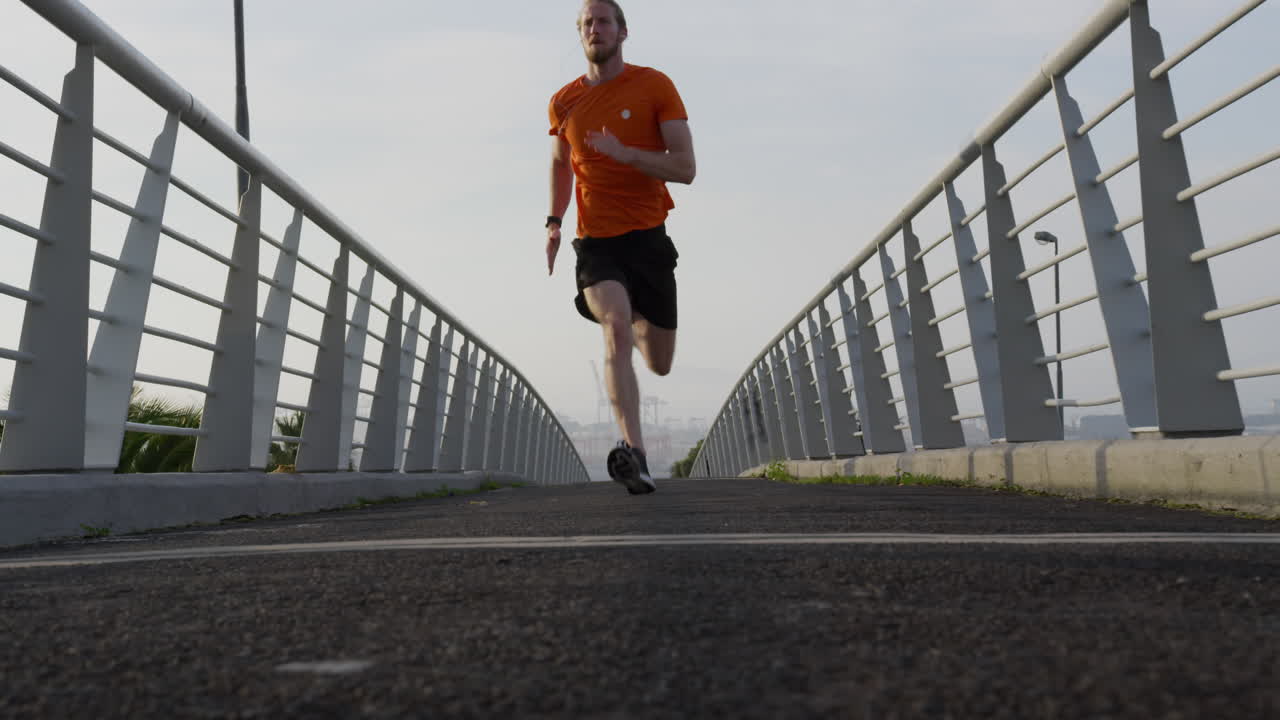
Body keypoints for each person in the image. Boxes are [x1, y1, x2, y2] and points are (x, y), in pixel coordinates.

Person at [545, 0, 696, 494]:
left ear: (622, 32)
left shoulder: (655, 86)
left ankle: (635, 313)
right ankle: (636, 453)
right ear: (581, 34)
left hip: (648, 240)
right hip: (597, 244)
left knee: (660, 361)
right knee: (613, 329)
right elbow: (561, 164)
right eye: (586, 23)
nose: (595, 29)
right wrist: (553, 221)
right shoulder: (563, 101)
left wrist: (628, 154)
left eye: (603, 21)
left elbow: (685, 167)